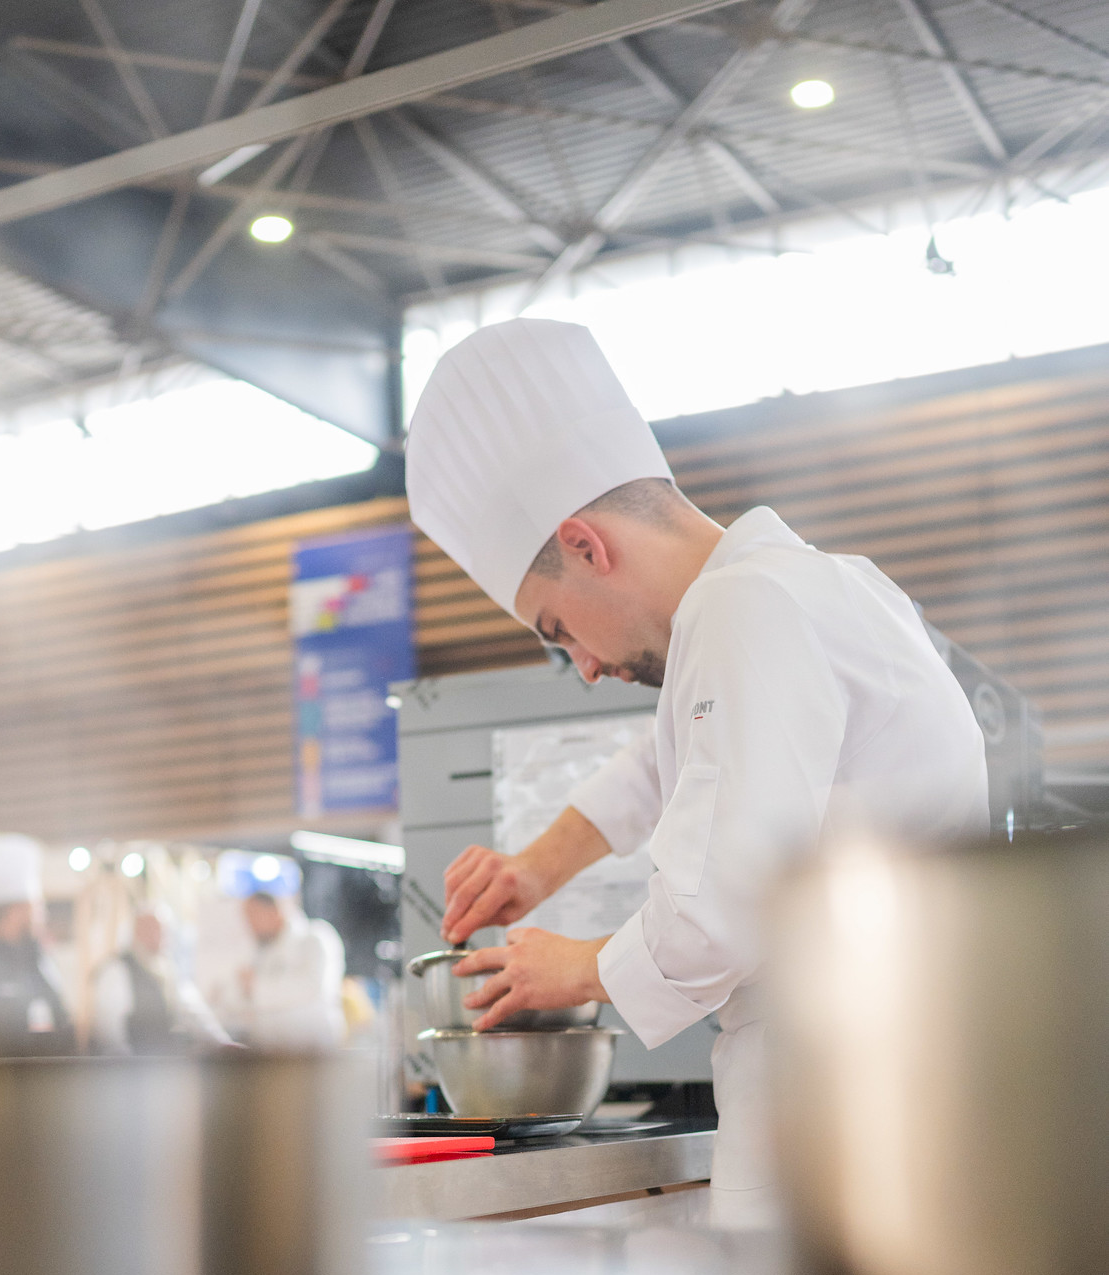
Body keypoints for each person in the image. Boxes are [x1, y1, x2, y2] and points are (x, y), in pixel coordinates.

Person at [407, 319, 990, 1226]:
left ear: (586, 543)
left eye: (558, 630)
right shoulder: (814, 587)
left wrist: (573, 969)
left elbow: (714, 914)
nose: (586, 667)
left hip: (836, 1106)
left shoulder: (743, 606)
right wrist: (534, 869)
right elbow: (665, 762)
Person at [0, 834, 75, 1057]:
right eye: (37, 907)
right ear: (15, 912)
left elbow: (61, 1020)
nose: (43, 915)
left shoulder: (39, 959)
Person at [209, 889, 346, 1049]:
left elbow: (309, 987)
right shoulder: (264, 953)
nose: (249, 924)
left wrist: (253, 986)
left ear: (274, 911)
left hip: (313, 1050)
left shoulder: (315, 938)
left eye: (253, 915)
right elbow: (248, 1004)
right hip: (273, 1053)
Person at [90, 907, 230, 1053]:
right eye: (152, 930)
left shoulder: (166, 969)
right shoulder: (116, 970)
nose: (160, 936)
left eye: (162, 931)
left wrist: (222, 1043)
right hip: (129, 1066)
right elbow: (110, 1029)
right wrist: (125, 1066)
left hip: (162, 1064)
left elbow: (192, 1011)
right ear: (136, 932)